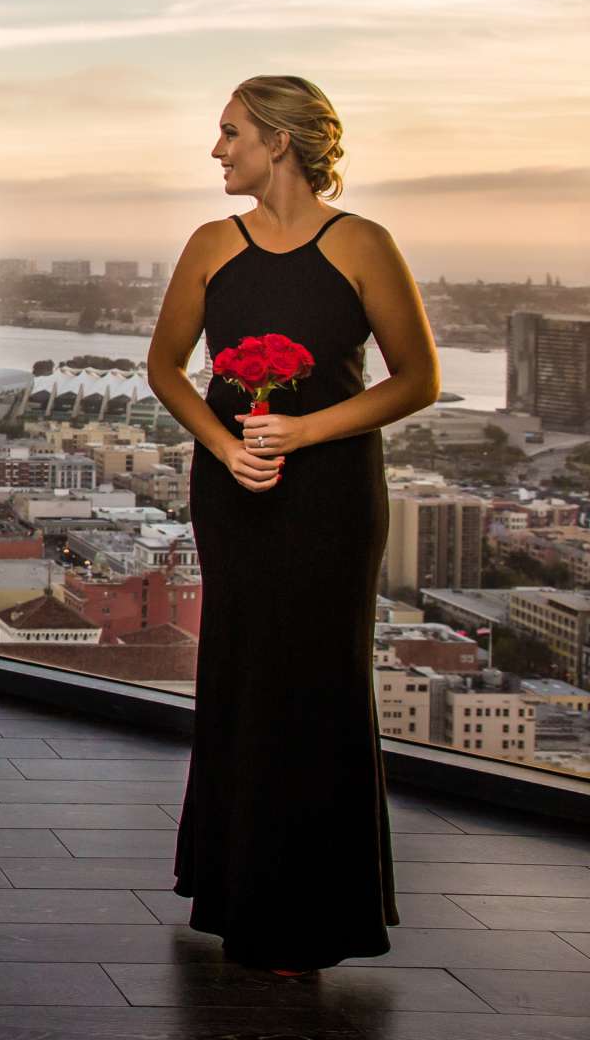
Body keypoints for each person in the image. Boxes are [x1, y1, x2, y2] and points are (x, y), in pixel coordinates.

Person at [150, 77, 434, 972]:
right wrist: (225, 445)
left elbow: (416, 378)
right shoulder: (208, 245)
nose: (216, 148)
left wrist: (305, 429)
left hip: (332, 496)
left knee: (318, 682)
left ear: (279, 141)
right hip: (233, 491)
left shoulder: (364, 245)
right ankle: (235, 890)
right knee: (241, 674)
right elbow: (165, 369)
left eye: (229, 132)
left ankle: (315, 910)